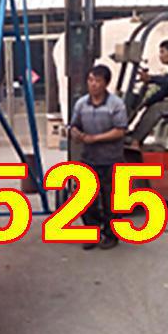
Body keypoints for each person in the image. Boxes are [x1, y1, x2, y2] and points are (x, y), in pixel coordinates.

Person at [70, 64, 128, 251]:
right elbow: (74, 125)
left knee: (111, 201)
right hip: (89, 158)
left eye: (97, 81)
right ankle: (92, 232)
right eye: (90, 80)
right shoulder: (81, 104)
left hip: (111, 158)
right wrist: (76, 133)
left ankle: (111, 235)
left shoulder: (116, 104)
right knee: (86, 198)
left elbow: (120, 130)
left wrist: (95, 138)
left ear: (106, 83)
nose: (93, 84)